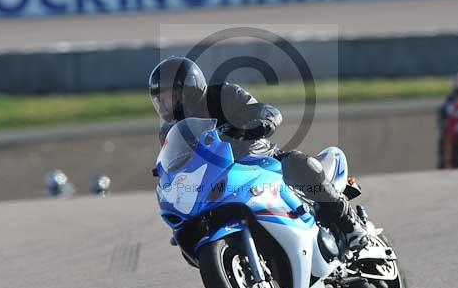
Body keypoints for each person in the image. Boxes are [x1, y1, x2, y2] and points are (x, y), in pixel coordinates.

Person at [149, 56, 369, 250]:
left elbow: (265, 111)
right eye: (160, 99)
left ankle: (346, 221)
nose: (165, 103)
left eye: (170, 96)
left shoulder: (223, 95)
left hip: (258, 159)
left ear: (188, 87)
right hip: (221, 176)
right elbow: (180, 167)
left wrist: (259, 124)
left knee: (297, 163)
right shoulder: (169, 132)